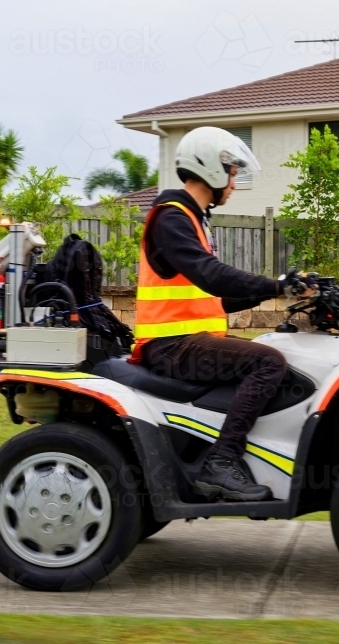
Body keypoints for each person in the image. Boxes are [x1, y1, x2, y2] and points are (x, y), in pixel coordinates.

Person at [132, 126, 315, 502]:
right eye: (232, 172)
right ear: (211, 169)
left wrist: (280, 292)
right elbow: (211, 276)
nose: (235, 181)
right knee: (268, 362)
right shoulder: (172, 217)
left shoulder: (194, 219)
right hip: (169, 345)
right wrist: (276, 286)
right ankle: (222, 462)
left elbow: (211, 297)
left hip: (186, 341)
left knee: (277, 355)